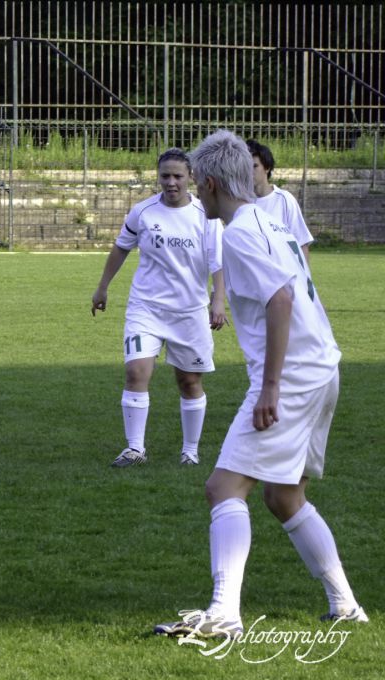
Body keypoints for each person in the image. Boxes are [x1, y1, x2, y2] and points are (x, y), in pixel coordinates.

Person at [154, 130, 366, 640]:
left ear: (207, 183)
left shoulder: (242, 233)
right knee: (284, 497)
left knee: (223, 487)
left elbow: (281, 301)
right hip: (321, 370)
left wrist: (270, 388)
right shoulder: (270, 223)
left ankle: (224, 612)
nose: (197, 195)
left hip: (291, 378)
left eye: (198, 186)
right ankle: (345, 606)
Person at [92, 148, 227, 468]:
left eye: (178, 176)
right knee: (136, 371)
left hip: (190, 312)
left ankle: (190, 451)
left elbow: (219, 264)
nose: (171, 182)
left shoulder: (205, 217)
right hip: (146, 309)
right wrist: (102, 287)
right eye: (164, 175)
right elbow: (121, 248)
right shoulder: (142, 212)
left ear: (190, 177)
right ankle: (135, 449)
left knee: (189, 382)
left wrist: (217, 300)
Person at [246, 139, 314, 262]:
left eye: (255, 166)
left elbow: (301, 243)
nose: (250, 172)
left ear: (266, 168)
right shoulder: (242, 203)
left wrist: (305, 279)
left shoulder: (284, 200)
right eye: (246, 167)